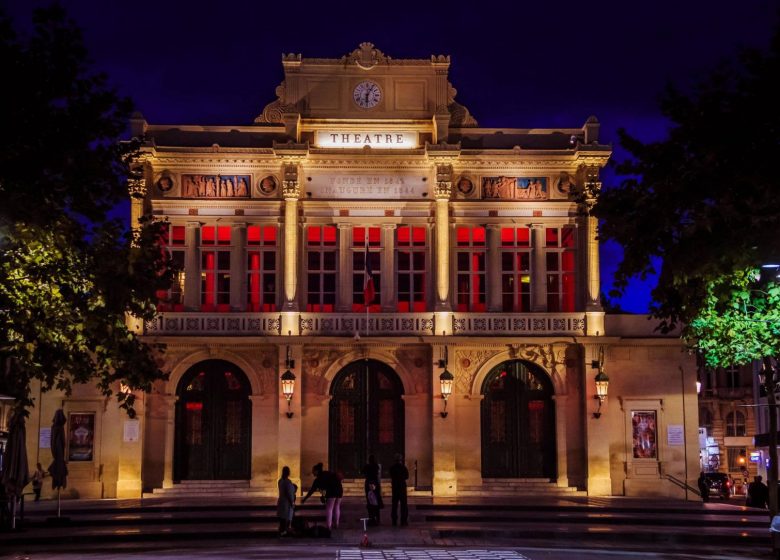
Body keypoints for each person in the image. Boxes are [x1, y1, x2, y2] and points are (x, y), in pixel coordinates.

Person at [301, 462, 343, 530]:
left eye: (313, 471)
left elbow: (312, 491)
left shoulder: (318, 479)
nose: (312, 472)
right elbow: (323, 489)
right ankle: (336, 524)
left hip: (331, 492)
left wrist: (305, 499)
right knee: (337, 506)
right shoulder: (327, 473)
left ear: (317, 471)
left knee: (329, 508)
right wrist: (323, 496)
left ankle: (329, 526)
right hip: (339, 489)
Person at [362, 455, 383, 525]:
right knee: (376, 501)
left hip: (369, 483)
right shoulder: (377, 466)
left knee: (370, 501)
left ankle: (371, 518)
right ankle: (378, 518)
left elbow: (362, 472)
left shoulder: (367, 466)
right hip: (375, 483)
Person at [389, 453, 409, 526]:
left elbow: (391, 475)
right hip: (402, 487)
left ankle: (394, 520)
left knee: (394, 505)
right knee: (403, 505)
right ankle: (403, 520)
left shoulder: (392, 468)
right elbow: (407, 476)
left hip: (395, 487)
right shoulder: (403, 467)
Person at [277, 466, 297, 536]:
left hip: (281, 501)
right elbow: (288, 493)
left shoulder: (280, 481)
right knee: (287, 517)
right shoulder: (288, 482)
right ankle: (284, 531)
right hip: (286, 503)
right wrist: (292, 503)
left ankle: (282, 530)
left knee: (282, 517)